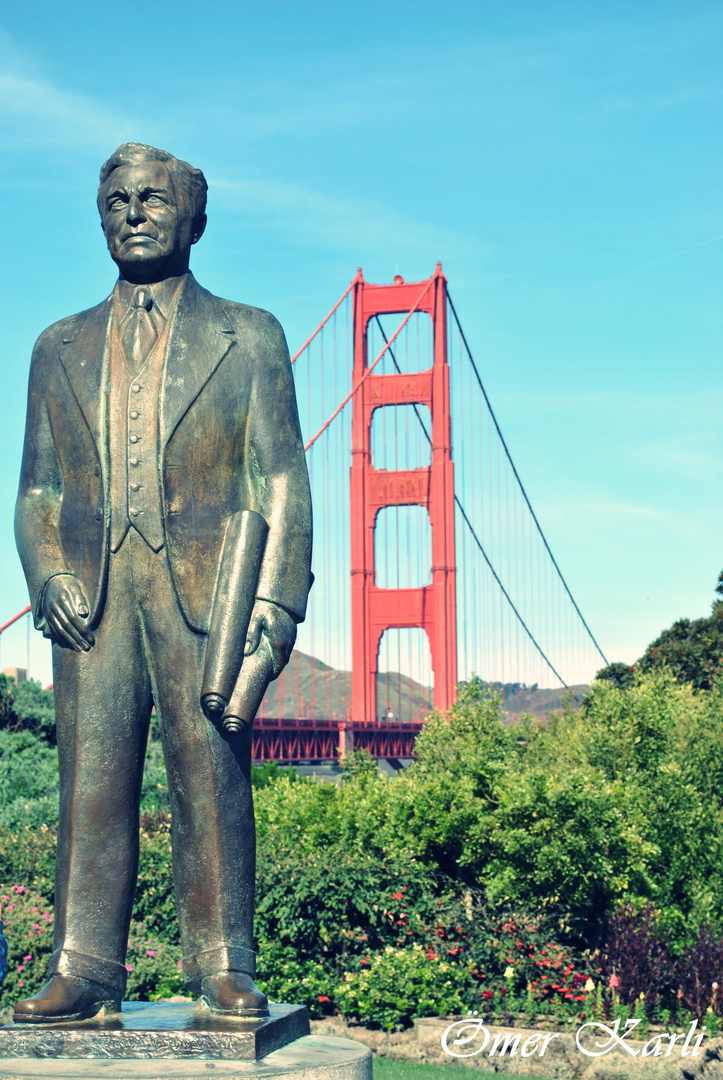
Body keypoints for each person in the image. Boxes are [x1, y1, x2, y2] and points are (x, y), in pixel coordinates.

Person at [13, 143, 312, 1023]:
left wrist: (274, 602)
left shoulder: (249, 335)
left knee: (209, 773)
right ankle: (83, 968)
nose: (132, 212)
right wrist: (46, 572)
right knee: (89, 783)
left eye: (151, 198)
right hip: (92, 601)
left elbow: (283, 477)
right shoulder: (55, 345)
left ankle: (222, 964)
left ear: (195, 218)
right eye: (115, 200)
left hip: (205, 597)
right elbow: (37, 488)